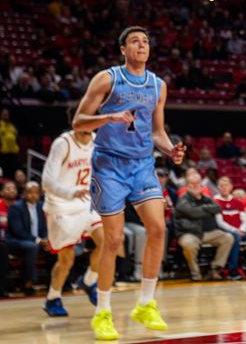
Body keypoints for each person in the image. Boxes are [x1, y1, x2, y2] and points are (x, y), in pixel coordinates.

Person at [73, 26, 185, 340]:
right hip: (109, 165)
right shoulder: (107, 79)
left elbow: (156, 132)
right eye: (134, 41)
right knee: (113, 240)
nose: (141, 45)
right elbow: (78, 121)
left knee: (159, 228)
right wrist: (107, 118)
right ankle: (103, 312)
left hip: (142, 165)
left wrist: (170, 149)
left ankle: (146, 303)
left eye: (146, 41)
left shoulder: (157, 85)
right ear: (123, 49)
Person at [41, 104, 105, 317]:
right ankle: (53, 297)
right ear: (74, 121)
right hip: (61, 205)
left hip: (85, 203)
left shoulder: (98, 142)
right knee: (66, 259)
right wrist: (70, 193)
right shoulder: (63, 144)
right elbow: (47, 181)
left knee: (110, 242)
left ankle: (88, 281)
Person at [174, 171, 234, 281]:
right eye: (192, 184)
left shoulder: (206, 197)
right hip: (189, 233)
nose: (196, 186)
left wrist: (201, 209)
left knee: (228, 238)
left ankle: (215, 269)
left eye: (198, 183)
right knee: (188, 244)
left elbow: (217, 208)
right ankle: (195, 273)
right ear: (187, 186)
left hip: (208, 233)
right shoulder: (183, 199)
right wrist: (207, 210)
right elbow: (193, 212)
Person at [6, 181, 49, 295]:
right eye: (30, 192)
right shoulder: (15, 207)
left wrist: (45, 238)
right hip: (16, 241)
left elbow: (43, 227)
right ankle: (28, 283)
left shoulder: (41, 206)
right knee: (31, 247)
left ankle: (55, 282)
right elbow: (18, 231)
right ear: (24, 193)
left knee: (53, 245)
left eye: (36, 192)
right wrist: (39, 240)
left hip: (36, 241)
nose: (33, 195)